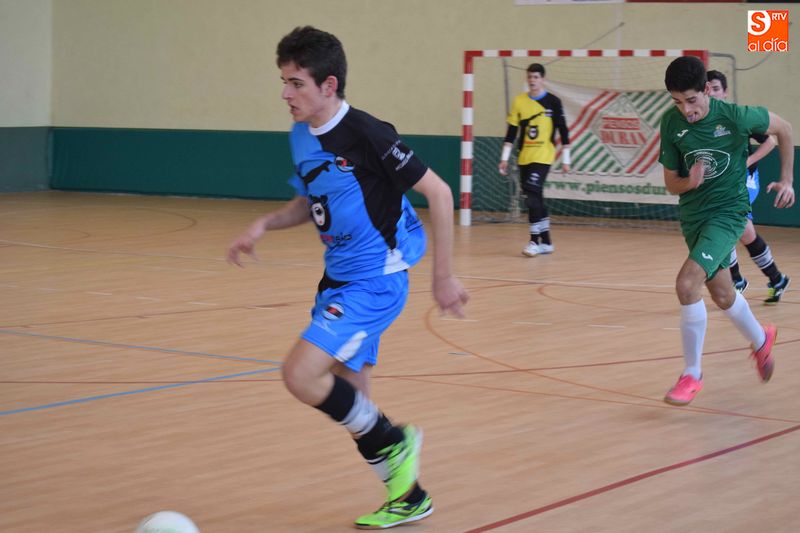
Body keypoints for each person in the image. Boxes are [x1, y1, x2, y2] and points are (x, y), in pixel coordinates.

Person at [227, 26, 468, 529]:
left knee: (300, 375)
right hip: (336, 279)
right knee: (356, 406)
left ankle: (399, 442)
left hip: (376, 281)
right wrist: (265, 224)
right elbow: (310, 202)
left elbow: (440, 193)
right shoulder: (301, 135)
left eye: (296, 83)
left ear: (329, 85)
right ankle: (409, 496)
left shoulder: (368, 133)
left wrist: (442, 278)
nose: (285, 94)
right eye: (284, 81)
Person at [658, 56, 795, 406]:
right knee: (722, 294)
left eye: (691, 100)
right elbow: (672, 184)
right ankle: (761, 339)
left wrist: (786, 179)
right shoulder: (671, 122)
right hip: (694, 217)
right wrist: (690, 181)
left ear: (707, 89)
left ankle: (692, 374)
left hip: (729, 213)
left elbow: (784, 128)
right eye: (677, 101)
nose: (686, 110)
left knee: (686, 284)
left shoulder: (735, 116)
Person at [706, 70, 790, 304]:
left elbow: (771, 141)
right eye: (707, 89)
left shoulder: (736, 117)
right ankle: (775, 279)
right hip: (723, 183)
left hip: (746, 180)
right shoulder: (702, 120)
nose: (711, 93)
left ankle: (739, 281)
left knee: (730, 227)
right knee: (739, 231)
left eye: (716, 88)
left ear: (725, 92)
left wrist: (747, 162)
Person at [498, 63, 571, 257]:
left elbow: (563, 130)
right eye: (530, 77)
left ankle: (534, 241)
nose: (532, 80)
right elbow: (511, 132)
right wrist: (504, 158)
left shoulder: (553, 102)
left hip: (543, 156)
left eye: (536, 77)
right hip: (524, 157)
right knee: (535, 197)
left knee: (531, 194)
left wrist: (566, 159)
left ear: (543, 79)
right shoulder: (519, 101)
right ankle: (546, 242)